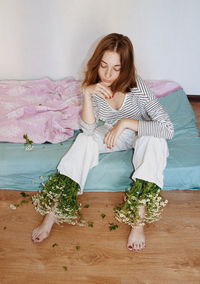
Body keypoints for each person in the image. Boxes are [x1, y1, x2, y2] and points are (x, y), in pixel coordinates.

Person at [32, 33, 174, 251]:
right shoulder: (94, 86)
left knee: (155, 142)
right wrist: (87, 94)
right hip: (111, 134)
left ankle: (139, 220)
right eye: (103, 66)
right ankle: (53, 211)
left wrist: (126, 122)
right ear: (97, 63)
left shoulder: (138, 87)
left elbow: (167, 128)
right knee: (84, 140)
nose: (108, 75)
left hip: (140, 130)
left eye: (116, 68)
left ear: (125, 67)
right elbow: (88, 128)